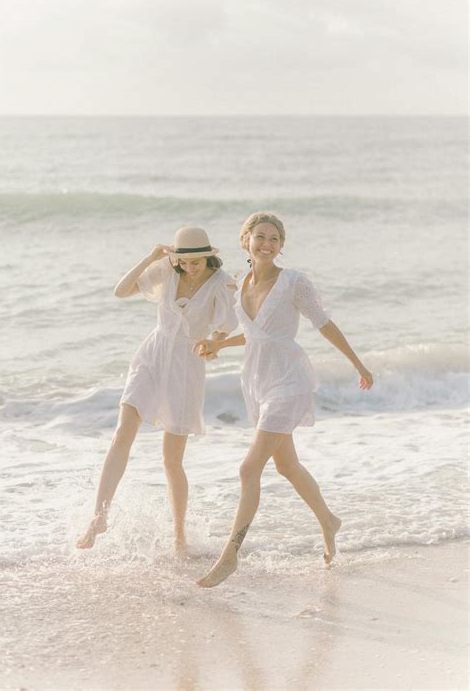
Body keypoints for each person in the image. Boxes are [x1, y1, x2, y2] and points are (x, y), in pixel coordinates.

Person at [194, 212, 373, 587]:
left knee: (248, 469)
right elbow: (254, 334)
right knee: (287, 467)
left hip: (289, 381)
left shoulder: (294, 282)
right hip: (257, 382)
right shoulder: (241, 282)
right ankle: (328, 520)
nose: (267, 244)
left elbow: (322, 323)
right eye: (260, 236)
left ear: (281, 245)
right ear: (246, 240)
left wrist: (357, 363)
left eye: (274, 239)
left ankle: (230, 555)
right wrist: (217, 344)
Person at [76, 226, 237, 553]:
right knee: (122, 432)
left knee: (171, 459)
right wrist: (152, 256)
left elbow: (224, 329)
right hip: (152, 355)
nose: (189, 267)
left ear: (209, 257)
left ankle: (179, 535)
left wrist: (213, 346)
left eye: (196, 261)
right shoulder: (166, 269)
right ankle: (99, 517)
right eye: (183, 261)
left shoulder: (222, 285)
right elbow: (121, 291)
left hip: (186, 366)